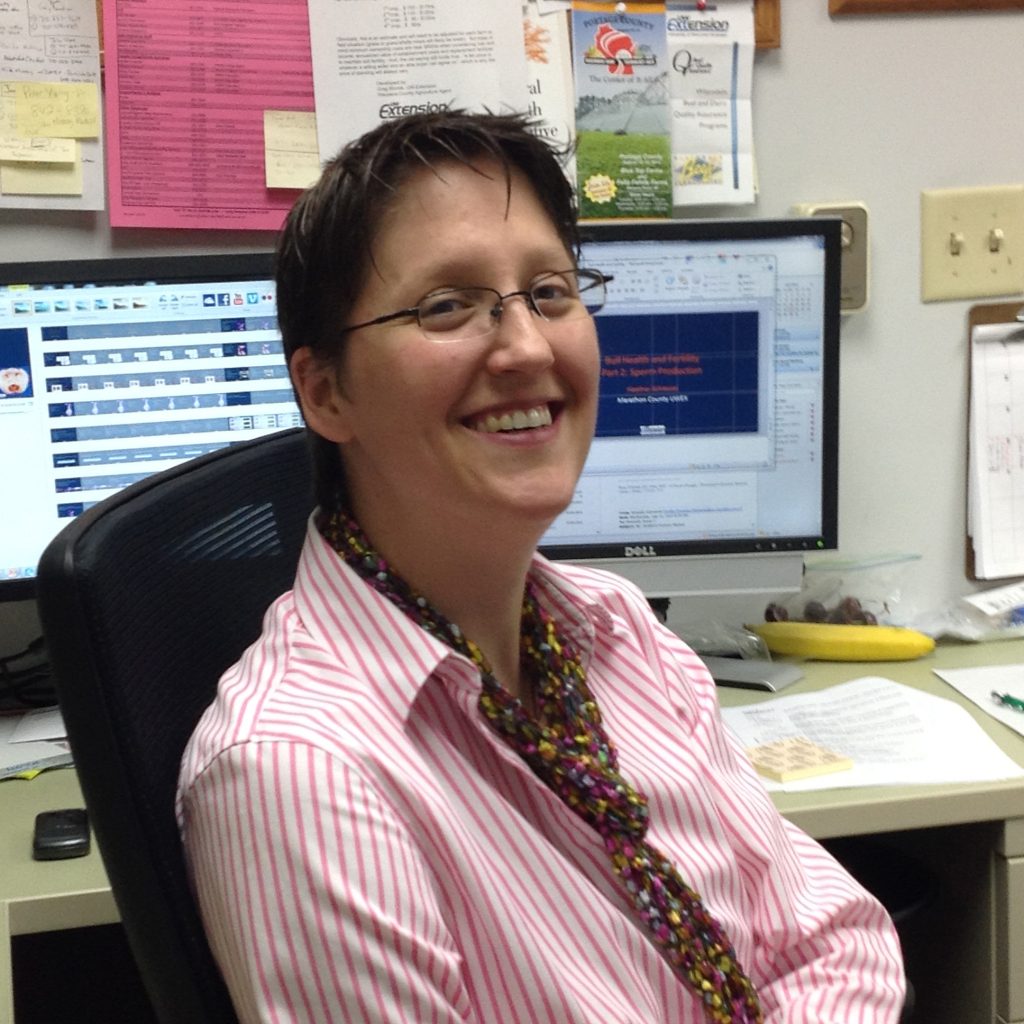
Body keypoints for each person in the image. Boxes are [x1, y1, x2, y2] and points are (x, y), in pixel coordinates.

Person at [177, 110, 906, 1024]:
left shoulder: (616, 630)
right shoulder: (301, 774)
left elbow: (832, 938)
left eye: (552, 291)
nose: (527, 347)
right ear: (326, 392)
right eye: (447, 305)